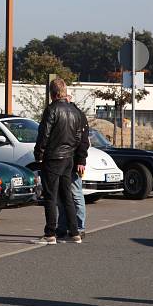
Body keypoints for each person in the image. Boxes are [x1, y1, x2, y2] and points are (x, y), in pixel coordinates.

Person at [34, 77, 82, 245]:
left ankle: (50, 233)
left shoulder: (52, 110)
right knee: (66, 195)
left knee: (50, 196)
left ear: (52, 93)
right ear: (64, 92)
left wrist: (38, 154)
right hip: (68, 157)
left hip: (53, 157)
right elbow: (78, 136)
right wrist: (72, 151)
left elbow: (44, 134)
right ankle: (74, 232)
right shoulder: (74, 111)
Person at [57, 94, 89, 239]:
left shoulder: (77, 115)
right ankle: (65, 227)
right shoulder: (75, 114)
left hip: (72, 160)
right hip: (68, 158)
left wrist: (81, 160)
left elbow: (83, 140)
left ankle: (79, 227)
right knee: (66, 195)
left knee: (75, 194)